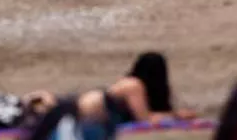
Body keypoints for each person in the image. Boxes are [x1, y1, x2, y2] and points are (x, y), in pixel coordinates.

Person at [25, 52, 180, 137]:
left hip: (80, 116)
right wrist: (175, 116)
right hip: (74, 116)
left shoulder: (129, 84)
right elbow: (144, 119)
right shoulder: (134, 85)